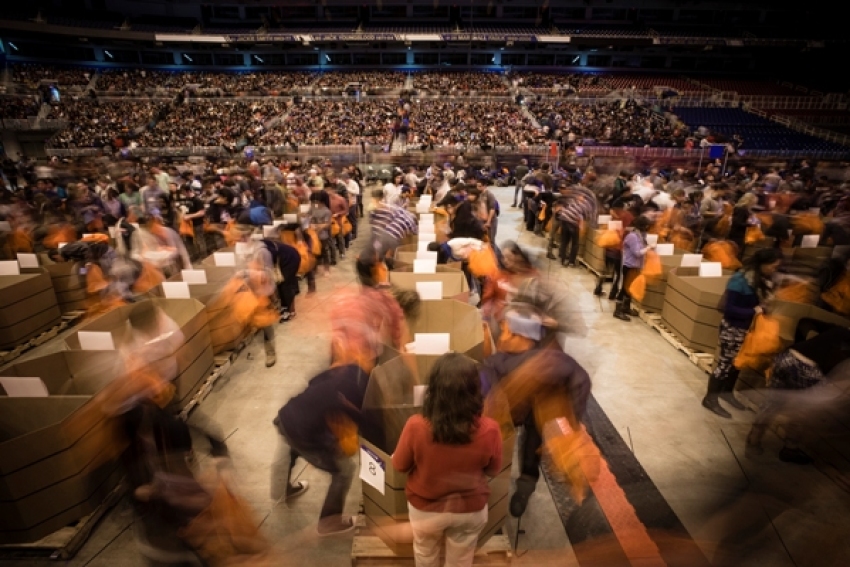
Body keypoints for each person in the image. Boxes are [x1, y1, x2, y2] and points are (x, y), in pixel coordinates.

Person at [480, 304, 591, 517]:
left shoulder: (547, 362)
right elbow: (581, 378)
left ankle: (523, 489)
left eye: (505, 331)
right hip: (510, 416)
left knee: (530, 451)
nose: (501, 336)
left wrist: (571, 422)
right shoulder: (550, 360)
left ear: (521, 336)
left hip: (533, 417)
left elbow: (579, 379)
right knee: (506, 451)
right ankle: (503, 488)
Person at [392, 353, 503, 567]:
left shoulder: (415, 426)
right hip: (470, 510)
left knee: (425, 555)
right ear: (474, 390)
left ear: (433, 389)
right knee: (461, 561)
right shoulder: (491, 429)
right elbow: (493, 471)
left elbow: (399, 465)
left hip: (425, 509)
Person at [702, 248, 781, 418]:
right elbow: (728, 309)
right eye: (773, 266)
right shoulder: (740, 280)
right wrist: (754, 311)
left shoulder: (762, 280)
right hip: (733, 328)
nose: (774, 270)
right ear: (763, 264)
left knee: (737, 362)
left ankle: (727, 393)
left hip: (748, 329)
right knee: (725, 364)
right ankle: (710, 399)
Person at [614, 215, 653, 322]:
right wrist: (649, 248)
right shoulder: (633, 236)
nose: (647, 228)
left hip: (636, 266)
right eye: (646, 226)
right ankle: (617, 311)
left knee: (630, 289)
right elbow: (637, 253)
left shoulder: (640, 236)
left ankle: (626, 307)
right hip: (629, 266)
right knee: (624, 289)